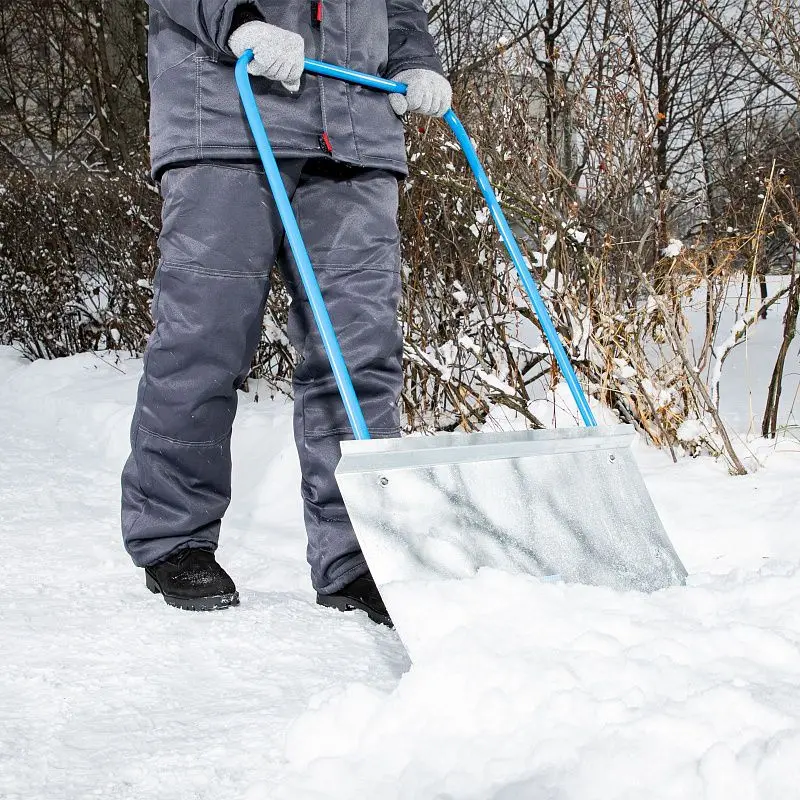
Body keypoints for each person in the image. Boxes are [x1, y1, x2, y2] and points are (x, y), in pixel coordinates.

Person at [121, 0, 451, 626]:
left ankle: (357, 553)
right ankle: (174, 536)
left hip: (356, 126)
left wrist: (412, 57)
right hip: (226, 110)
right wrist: (236, 18)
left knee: (361, 355)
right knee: (205, 338)